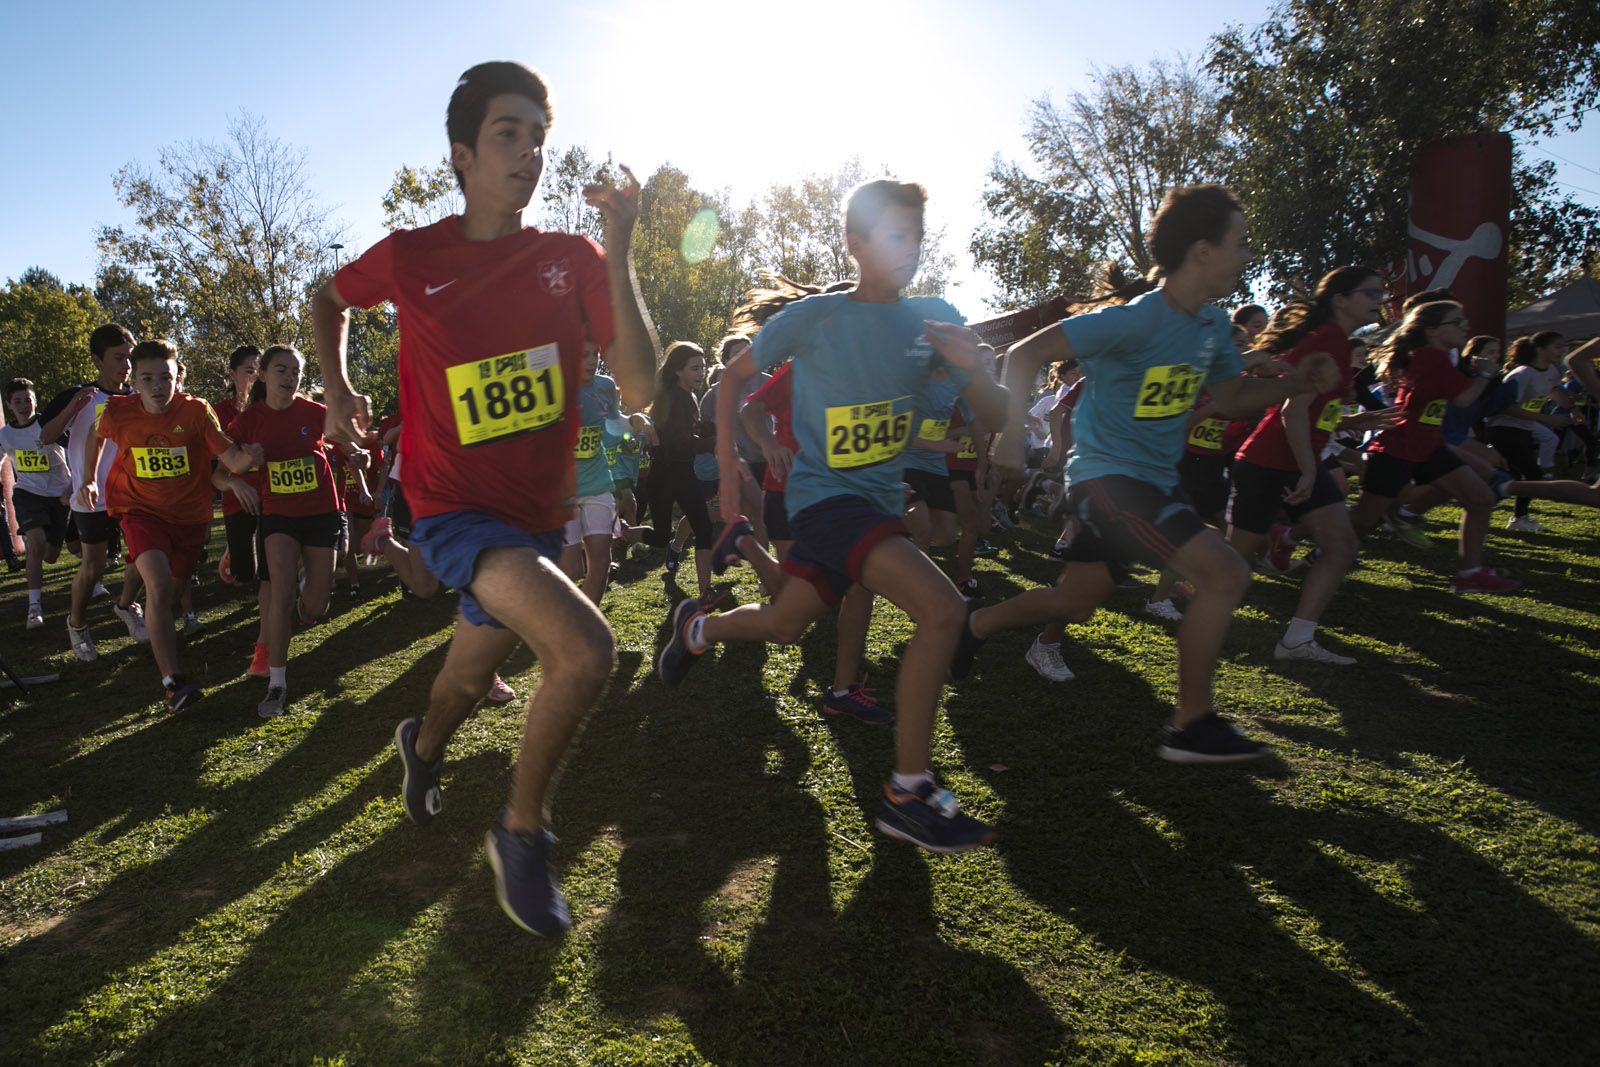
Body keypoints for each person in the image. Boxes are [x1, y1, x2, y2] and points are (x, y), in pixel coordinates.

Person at [314, 61, 658, 937]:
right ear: (463, 155)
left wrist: (619, 251)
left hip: (535, 516)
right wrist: (340, 387)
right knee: (583, 652)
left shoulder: (570, 259)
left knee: (465, 681)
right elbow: (326, 298)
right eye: (509, 134)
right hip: (453, 512)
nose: (530, 152)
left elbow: (644, 386)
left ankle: (419, 751)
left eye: (539, 137)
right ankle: (523, 832)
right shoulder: (411, 255)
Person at [660, 178, 1010, 852]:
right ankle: (908, 790)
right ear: (855, 243)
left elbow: (990, 419)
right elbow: (734, 382)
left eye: (917, 235)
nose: (909, 248)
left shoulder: (933, 317)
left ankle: (699, 628)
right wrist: (737, 476)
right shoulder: (817, 318)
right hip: (824, 501)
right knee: (941, 609)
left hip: (876, 503)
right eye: (894, 234)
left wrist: (975, 372)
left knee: (786, 624)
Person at [970, 185, 1341, 762]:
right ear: (1201, 250)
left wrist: (1292, 384)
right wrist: (1013, 437)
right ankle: (1192, 724)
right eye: (1240, 243)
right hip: (1107, 480)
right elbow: (1022, 355)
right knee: (1223, 573)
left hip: (1154, 482)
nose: (1248, 256)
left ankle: (974, 628)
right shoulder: (1134, 321)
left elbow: (1233, 396)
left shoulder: (1213, 328)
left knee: (1074, 603)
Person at [1224, 267, 1401, 664]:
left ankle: (1297, 640)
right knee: (1233, 565)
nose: (1379, 299)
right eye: (1370, 292)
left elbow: (1312, 410)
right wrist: (1307, 469)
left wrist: (1350, 422)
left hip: (1296, 460)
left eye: (1380, 293)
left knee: (1341, 547)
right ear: (1340, 299)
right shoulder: (1327, 341)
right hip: (1268, 461)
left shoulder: (1336, 341)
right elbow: (1292, 410)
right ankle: (1182, 598)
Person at [76, 340, 263, 709]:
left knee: (173, 592)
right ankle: (173, 682)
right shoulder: (117, 411)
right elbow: (96, 435)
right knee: (159, 586)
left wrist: (246, 462)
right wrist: (87, 477)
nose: (158, 386)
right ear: (134, 380)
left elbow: (230, 459)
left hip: (189, 516)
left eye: (166, 378)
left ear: (179, 377)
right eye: (147, 379)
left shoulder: (196, 411)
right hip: (140, 510)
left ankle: (146, 626)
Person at [1347, 301, 1521, 593]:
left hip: (1430, 446)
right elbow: (1464, 399)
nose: (1465, 326)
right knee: (1364, 521)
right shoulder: (1431, 358)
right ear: (1432, 331)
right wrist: (1485, 374)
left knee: (1480, 499)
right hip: (1398, 447)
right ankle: (1296, 534)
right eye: (1457, 321)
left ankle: (1470, 573)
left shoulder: (1438, 357)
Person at [222, 345, 345, 718]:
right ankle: (277, 682)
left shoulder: (315, 412)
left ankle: (308, 586)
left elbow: (348, 438)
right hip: (278, 516)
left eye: (295, 371)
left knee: (315, 605)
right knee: (280, 592)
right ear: (263, 374)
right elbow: (217, 466)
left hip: (322, 511)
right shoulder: (248, 421)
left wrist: (359, 452)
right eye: (281, 370)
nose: (289, 378)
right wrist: (240, 473)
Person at [44, 324, 148, 661]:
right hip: (92, 497)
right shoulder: (82, 396)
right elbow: (46, 436)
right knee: (94, 567)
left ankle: (126, 605)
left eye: (130, 357)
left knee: (147, 556)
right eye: (119, 358)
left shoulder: (139, 396)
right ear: (97, 360)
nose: (126, 365)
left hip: (135, 493)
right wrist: (71, 409)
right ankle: (77, 624)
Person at [639, 342, 717, 598]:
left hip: (683, 474)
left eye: (703, 368)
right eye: (694, 368)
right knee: (661, 537)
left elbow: (685, 434)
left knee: (704, 527)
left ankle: (706, 591)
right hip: (663, 478)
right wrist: (712, 443)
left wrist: (706, 430)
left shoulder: (690, 397)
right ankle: (626, 534)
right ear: (677, 371)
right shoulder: (673, 397)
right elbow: (676, 442)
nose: (700, 373)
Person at [1, 378, 77, 628]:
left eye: (28, 399)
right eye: (17, 401)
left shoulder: (49, 425)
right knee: (36, 542)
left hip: (59, 495)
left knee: (51, 555)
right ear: (10, 406)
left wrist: (73, 484)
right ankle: (34, 608)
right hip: (27, 494)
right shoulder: (6, 435)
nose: (24, 405)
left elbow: (77, 451)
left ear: (35, 401)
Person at [1485, 332, 1575, 532]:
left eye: (1563, 346)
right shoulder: (1522, 374)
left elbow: (1556, 391)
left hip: (1523, 429)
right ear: (1539, 350)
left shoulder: (1551, 370)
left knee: (1515, 474)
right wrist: (1548, 419)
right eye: (1557, 347)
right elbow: (1507, 408)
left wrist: (1573, 409)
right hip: (1502, 428)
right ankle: (1518, 517)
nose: (1562, 351)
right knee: (1531, 473)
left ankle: (1486, 496)